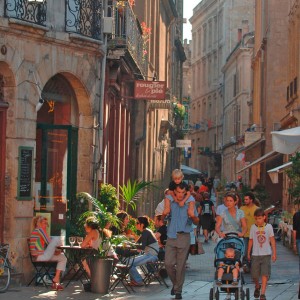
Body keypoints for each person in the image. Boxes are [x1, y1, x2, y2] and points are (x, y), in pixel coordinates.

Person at [163, 182, 199, 300]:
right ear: (174, 191)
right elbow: (163, 219)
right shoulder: (169, 201)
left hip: (184, 236)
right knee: (168, 264)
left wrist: (192, 216)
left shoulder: (190, 202)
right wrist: (163, 216)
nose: (180, 195)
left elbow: (196, 221)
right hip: (171, 236)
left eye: (183, 193)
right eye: (178, 192)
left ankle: (178, 291)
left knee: (181, 265)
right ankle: (175, 284)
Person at [29, 216, 67, 291]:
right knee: (55, 238)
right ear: (38, 224)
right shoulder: (40, 230)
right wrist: (56, 249)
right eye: (44, 223)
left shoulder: (38, 230)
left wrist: (55, 250)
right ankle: (61, 249)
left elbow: (49, 243)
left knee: (63, 258)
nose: (46, 225)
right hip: (39, 257)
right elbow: (49, 242)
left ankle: (56, 279)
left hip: (42, 256)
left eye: (47, 224)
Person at [247, 208, 276, 300]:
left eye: (259, 218)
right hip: (255, 254)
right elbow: (250, 240)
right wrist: (248, 252)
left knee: (265, 274)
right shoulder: (253, 227)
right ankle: (257, 286)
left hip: (266, 254)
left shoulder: (269, 227)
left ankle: (263, 293)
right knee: (255, 275)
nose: (258, 220)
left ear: (264, 217)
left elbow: (272, 240)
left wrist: (274, 253)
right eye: (256, 218)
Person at [128, 216, 159, 287]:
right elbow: (137, 243)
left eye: (137, 223)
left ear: (142, 224)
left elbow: (142, 247)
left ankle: (138, 281)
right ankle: (134, 280)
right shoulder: (146, 231)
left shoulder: (145, 232)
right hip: (150, 254)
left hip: (151, 255)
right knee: (129, 262)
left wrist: (131, 245)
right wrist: (131, 244)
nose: (136, 224)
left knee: (129, 263)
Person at [240, 192, 259, 270]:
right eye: (244, 199)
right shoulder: (242, 209)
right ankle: (245, 265)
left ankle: (252, 265)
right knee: (245, 251)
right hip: (245, 234)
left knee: (253, 251)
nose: (245, 201)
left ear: (251, 200)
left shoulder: (257, 209)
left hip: (255, 234)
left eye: (247, 199)